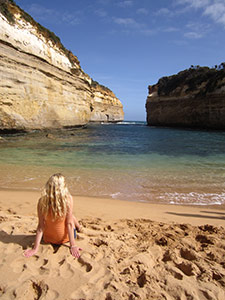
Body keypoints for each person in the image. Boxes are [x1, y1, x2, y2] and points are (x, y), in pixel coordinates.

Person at [24, 173, 82, 258]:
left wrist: (35, 248)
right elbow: (69, 224)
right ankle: (79, 227)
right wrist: (73, 245)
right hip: (65, 239)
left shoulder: (42, 201)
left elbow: (41, 226)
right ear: (64, 186)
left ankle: (79, 227)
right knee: (70, 217)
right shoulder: (68, 199)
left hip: (48, 238)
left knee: (66, 217)